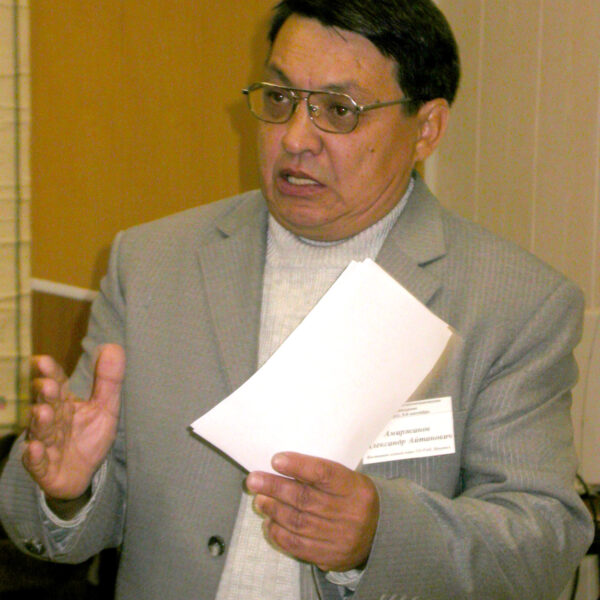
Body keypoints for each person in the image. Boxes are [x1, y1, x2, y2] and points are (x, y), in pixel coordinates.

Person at [0, 0, 593, 598]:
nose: (295, 138)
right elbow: (55, 521)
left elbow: (542, 543)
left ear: (427, 129)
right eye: (280, 99)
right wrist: (68, 492)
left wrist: (378, 535)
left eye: (339, 110)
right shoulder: (153, 263)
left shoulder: (513, 304)